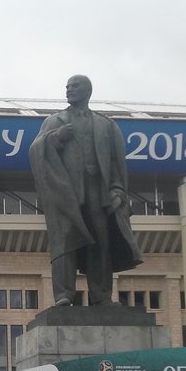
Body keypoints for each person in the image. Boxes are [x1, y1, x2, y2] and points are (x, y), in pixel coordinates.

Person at [29, 74, 142, 307]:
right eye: (67, 86)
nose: (69, 90)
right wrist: (55, 139)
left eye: (74, 86)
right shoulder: (55, 122)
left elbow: (117, 162)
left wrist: (118, 190)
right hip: (67, 193)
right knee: (64, 243)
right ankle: (64, 295)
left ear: (87, 91)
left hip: (98, 193)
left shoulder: (106, 125)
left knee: (101, 242)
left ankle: (101, 296)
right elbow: (35, 150)